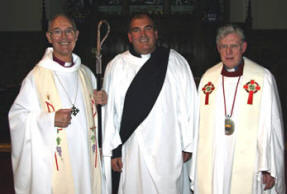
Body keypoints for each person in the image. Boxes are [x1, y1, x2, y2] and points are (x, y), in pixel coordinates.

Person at [9, 14, 107, 194]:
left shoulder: (86, 74)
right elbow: (18, 118)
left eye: (68, 31)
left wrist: (100, 102)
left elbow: (81, 110)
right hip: (54, 162)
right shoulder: (36, 77)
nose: (64, 37)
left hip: (85, 157)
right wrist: (49, 119)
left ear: (76, 35)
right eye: (57, 32)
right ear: (49, 37)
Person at [101, 13, 198, 194]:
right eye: (136, 30)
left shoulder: (175, 62)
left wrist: (188, 143)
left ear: (156, 33)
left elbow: (189, 104)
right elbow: (109, 112)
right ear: (130, 37)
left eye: (148, 28)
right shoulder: (116, 66)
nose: (143, 35)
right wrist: (114, 150)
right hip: (133, 147)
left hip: (169, 146)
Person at [191, 24, 285, 194]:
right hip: (214, 158)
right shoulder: (207, 79)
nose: (228, 52)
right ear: (218, 49)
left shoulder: (262, 78)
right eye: (224, 47)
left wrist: (269, 165)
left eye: (233, 46)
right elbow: (197, 126)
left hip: (250, 162)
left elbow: (271, 125)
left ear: (243, 47)